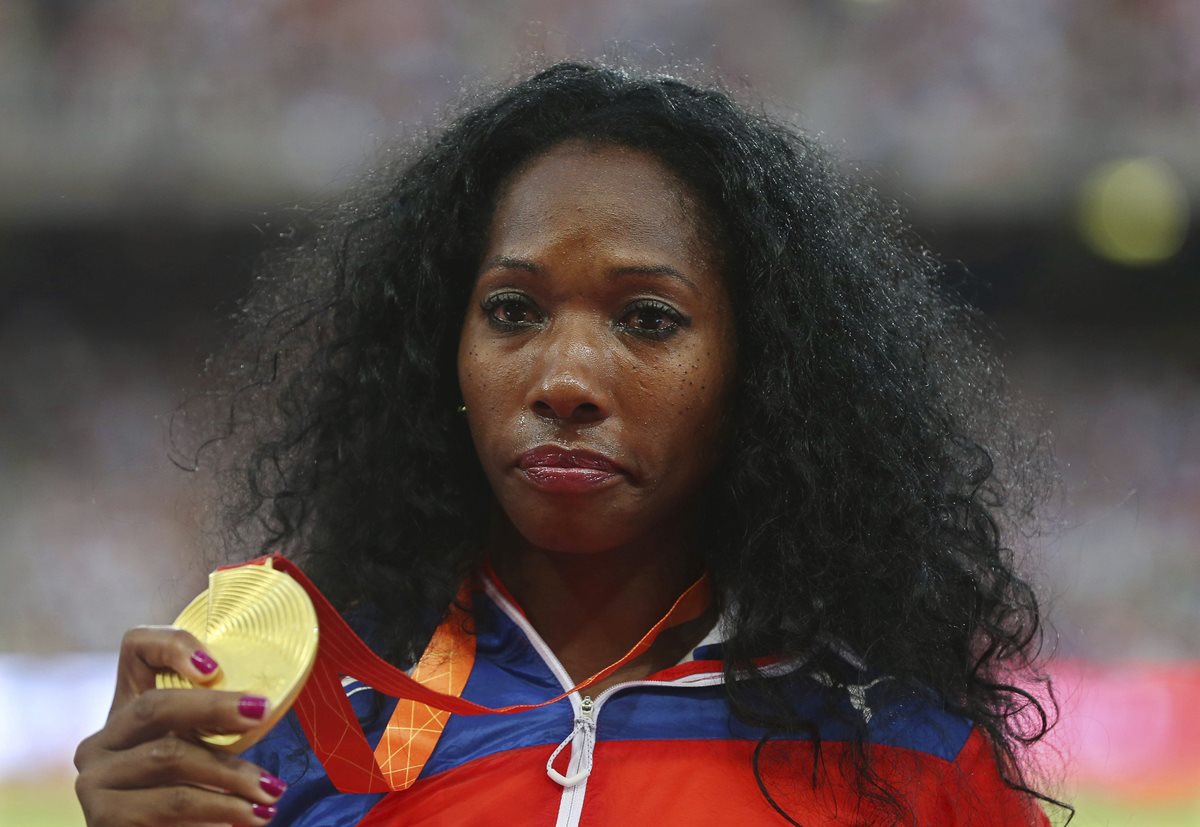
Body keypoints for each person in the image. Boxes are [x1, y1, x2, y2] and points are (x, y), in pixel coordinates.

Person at [73, 61, 1065, 826]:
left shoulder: (915, 753)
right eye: (512, 309)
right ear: (443, 352)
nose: (565, 381)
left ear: (759, 372)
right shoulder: (297, 734)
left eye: (647, 319)